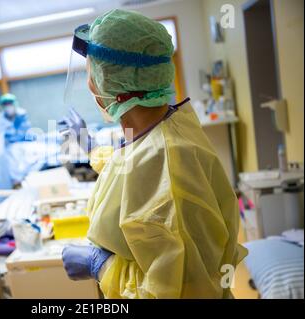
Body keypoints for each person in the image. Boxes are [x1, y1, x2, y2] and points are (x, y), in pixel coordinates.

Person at [59, 9, 247, 299]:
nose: (89, 84)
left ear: (112, 81)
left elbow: (185, 292)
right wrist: (91, 148)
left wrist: (100, 266)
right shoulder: (166, 127)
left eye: (91, 73)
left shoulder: (170, 165)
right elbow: (136, 169)